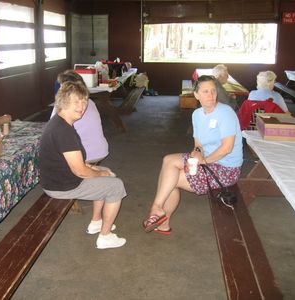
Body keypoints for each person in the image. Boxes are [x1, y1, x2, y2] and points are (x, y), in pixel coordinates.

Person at [142, 75, 243, 234]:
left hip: (226, 169)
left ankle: (157, 212)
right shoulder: (197, 114)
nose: (210, 95)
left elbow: (227, 148)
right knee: (168, 160)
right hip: (207, 161)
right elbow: (199, 145)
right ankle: (160, 215)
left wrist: (204, 161)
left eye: (212, 91)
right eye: (205, 91)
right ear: (196, 95)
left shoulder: (225, 113)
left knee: (170, 180)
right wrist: (196, 155)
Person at [39, 80, 127, 249]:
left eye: (84, 101)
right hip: (61, 186)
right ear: (63, 102)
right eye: (76, 102)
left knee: (105, 170)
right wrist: (99, 174)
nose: (82, 106)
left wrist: (95, 169)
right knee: (116, 186)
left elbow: (73, 161)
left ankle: (96, 222)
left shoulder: (61, 122)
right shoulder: (63, 130)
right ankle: (105, 237)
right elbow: (80, 171)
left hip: (58, 178)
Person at [51, 70, 109, 163]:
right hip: (101, 150)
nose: (60, 89)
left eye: (62, 86)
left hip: (86, 155)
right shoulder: (89, 101)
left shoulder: (63, 106)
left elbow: (54, 129)